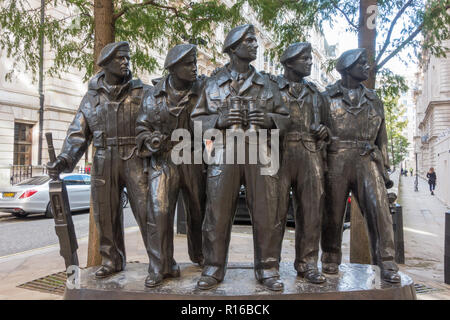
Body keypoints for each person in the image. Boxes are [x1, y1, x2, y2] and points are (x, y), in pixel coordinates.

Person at [191, 24, 289, 291]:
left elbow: (285, 119)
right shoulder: (212, 84)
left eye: (255, 40)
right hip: (223, 153)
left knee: (266, 212)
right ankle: (212, 268)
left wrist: (269, 119)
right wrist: (219, 119)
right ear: (233, 48)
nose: (255, 45)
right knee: (217, 213)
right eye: (249, 41)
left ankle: (268, 269)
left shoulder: (268, 84)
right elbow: (196, 122)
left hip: (261, 154)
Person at [46, 42, 152, 278]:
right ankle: (111, 260)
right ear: (105, 65)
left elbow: (158, 122)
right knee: (105, 215)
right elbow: (77, 134)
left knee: (148, 211)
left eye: (127, 58)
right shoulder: (90, 98)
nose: (125, 62)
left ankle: (159, 261)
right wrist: (64, 160)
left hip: (135, 157)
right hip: (104, 160)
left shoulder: (142, 92)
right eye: (120, 59)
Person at [320, 48, 400, 283]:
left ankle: (386, 262)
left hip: (367, 158)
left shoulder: (375, 100)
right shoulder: (326, 97)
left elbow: (382, 138)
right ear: (347, 68)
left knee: (379, 211)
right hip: (336, 158)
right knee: (332, 212)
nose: (367, 67)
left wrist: (384, 167)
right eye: (362, 63)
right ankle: (330, 257)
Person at [135, 44, 206, 287]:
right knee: (160, 213)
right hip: (163, 160)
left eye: (195, 62)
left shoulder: (204, 89)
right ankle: (160, 266)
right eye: (189, 64)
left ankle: (201, 255)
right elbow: (141, 127)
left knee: (199, 210)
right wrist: (150, 140)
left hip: (194, 158)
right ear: (174, 69)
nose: (194, 67)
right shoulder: (153, 95)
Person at [275, 42, 328, 284]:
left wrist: (324, 132)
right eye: (304, 58)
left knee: (311, 212)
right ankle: (269, 264)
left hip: (310, 153)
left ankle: (308, 264)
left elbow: (329, 129)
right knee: (274, 212)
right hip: (278, 152)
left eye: (310, 58)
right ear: (289, 63)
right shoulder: (272, 89)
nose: (310, 62)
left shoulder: (316, 94)